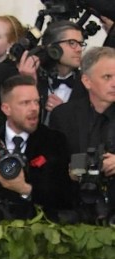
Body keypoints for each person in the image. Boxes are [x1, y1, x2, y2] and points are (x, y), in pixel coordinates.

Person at [0, 74, 72, 227]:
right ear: (6, 108)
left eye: (36, 102)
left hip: (41, 230)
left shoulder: (54, 140)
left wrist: (25, 189)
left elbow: (64, 195)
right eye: (25, 103)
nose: (34, 108)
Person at [50, 45, 115, 221]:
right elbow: (50, 167)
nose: (114, 83)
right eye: (107, 77)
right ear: (87, 81)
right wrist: (70, 171)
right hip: (74, 212)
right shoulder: (63, 116)